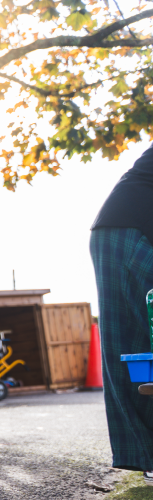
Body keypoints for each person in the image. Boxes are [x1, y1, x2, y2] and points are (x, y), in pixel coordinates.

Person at [90, 143, 153, 482]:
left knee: (140, 346)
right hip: (126, 232)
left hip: (129, 230)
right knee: (131, 350)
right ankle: (146, 454)